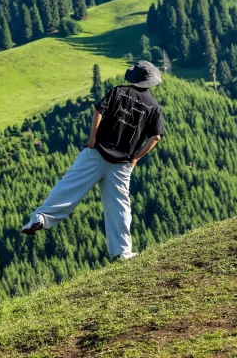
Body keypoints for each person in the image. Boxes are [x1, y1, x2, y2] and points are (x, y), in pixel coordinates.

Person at [21, 60, 164, 260]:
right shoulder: (153, 107)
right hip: (122, 163)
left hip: (96, 152)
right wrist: (136, 158)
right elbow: (155, 137)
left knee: (69, 187)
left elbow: (99, 110)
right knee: (119, 206)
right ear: (151, 82)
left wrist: (92, 139)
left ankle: (41, 218)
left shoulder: (119, 91)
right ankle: (123, 251)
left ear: (134, 78)